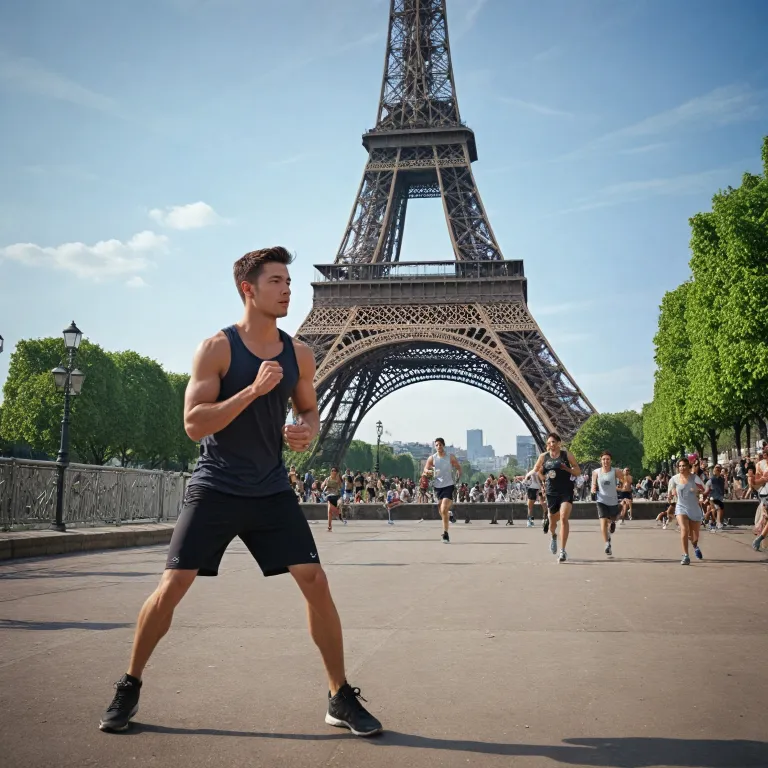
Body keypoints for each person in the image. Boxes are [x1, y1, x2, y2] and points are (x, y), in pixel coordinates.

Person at [97, 247, 381, 737]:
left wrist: (305, 429)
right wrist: (250, 391)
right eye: (276, 281)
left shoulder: (301, 353)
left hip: (271, 488)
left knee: (315, 582)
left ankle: (339, 695)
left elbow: (309, 410)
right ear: (248, 289)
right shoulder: (218, 349)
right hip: (218, 486)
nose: (287, 288)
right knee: (173, 587)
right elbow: (193, 424)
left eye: (289, 281)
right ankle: (129, 684)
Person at [533, 432, 581, 563]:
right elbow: (537, 470)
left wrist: (567, 468)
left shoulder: (567, 455)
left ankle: (562, 550)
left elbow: (578, 471)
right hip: (551, 492)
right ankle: (553, 536)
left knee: (564, 517)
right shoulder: (544, 457)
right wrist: (543, 480)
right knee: (552, 523)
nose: (551, 445)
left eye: (553, 442)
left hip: (566, 490)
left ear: (559, 443)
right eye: (549, 443)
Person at [668, 457, 706, 565]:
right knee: (684, 529)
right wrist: (671, 495)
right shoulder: (674, 479)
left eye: (684, 465)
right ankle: (685, 555)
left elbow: (704, 489)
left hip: (694, 508)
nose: (681, 468)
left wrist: (698, 491)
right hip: (681, 507)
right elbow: (670, 491)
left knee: (694, 536)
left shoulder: (695, 478)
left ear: (688, 466)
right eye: (679, 466)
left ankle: (695, 546)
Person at [424, 438, 462, 543]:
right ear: (435, 447)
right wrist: (429, 471)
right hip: (437, 487)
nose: (438, 447)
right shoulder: (432, 458)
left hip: (448, 486)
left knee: (444, 508)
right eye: (436, 445)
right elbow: (425, 470)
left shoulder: (450, 457)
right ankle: (449, 515)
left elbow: (458, 467)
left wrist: (458, 475)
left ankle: (445, 534)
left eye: (440, 445)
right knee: (441, 511)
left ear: (443, 446)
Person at [590, 451, 625, 556]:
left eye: (608, 459)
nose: (605, 461)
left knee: (611, 520)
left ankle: (612, 525)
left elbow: (624, 481)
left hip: (613, 501)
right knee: (603, 522)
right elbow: (593, 483)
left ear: (611, 460)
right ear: (601, 461)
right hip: (601, 500)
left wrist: (620, 488)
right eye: (603, 459)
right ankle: (607, 544)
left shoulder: (616, 471)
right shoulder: (596, 472)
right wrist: (593, 488)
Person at [704, 464, 728, 530]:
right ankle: (717, 522)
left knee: (715, 510)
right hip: (713, 497)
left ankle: (710, 521)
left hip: (719, 497)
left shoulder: (722, 479)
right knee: (718, 509)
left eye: (717, 470)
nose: (715, 472)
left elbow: (725, 487)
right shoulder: (711, 480)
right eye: (714, 470)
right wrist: (704, 495)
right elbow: (707, 490)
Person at [323, 467, 346, 531]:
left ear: (336, 472)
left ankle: (338, 514)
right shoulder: (327, 478)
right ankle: (329, 526)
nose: (333, 472)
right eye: (332, 470)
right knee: (329, 510)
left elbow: (341, 487)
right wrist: (323, 486)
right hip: (329, 495)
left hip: (336, 496)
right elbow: (323, 485)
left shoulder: (338, 479)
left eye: (335, 471)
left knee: (330, 510)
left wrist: (338, 480)